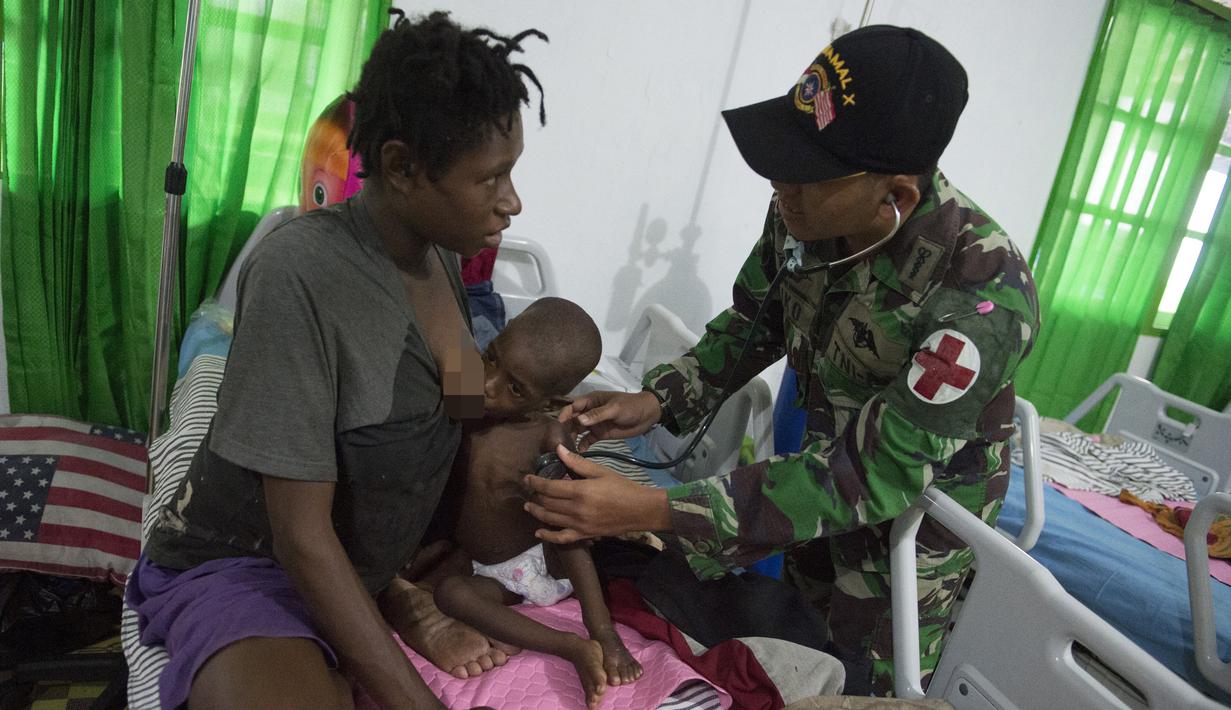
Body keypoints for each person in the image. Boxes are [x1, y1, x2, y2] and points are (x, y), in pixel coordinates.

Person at [524, 25, 1041, 696]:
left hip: (908, 538)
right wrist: (656, 400)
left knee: (862, 684)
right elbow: (754, 319)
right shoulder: (803, 212)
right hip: (815, 490)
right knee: (795, 645)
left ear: (896, 197)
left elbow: (875, 472)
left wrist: (652, 510)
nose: (779, 187)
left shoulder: (981, 293)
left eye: (805, 176)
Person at [126, 11, 547, 710]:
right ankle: (390, 600)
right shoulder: (302, 273)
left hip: (368, 559)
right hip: (250, 564)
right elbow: (299, 536)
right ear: (400, 167)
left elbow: (467, 408)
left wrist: (547, 424)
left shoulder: (439, 258)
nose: (512, 202)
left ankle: (393, 594)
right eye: (491, 178)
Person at [427, 296, 643, 710]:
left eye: (514, 387)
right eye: (491, 358)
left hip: (546, 559)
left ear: (550, 400)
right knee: (449, 594)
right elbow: (448, 347)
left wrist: (602, 627)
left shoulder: (546, 439)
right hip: (493, 575)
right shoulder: (468, 407)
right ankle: (566, 646)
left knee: (564, 526)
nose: (489, 384)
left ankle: (598, 637)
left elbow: (569, 530)